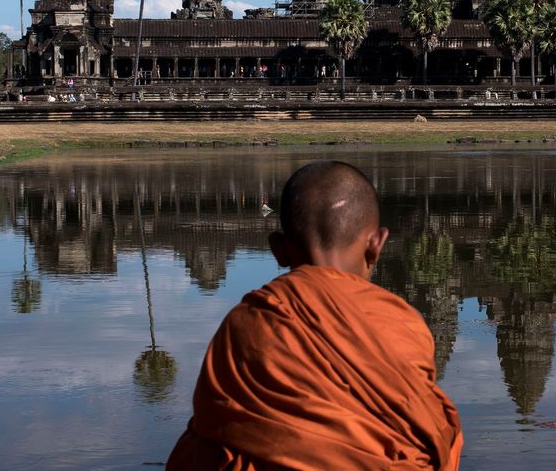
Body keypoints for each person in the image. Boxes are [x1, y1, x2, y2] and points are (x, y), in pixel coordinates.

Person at [168, 161, 463, 470]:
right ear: (377, 245)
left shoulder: (248, 325)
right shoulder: (403, 324)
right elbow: (435, 439)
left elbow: (201, 452)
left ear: (278, 250)